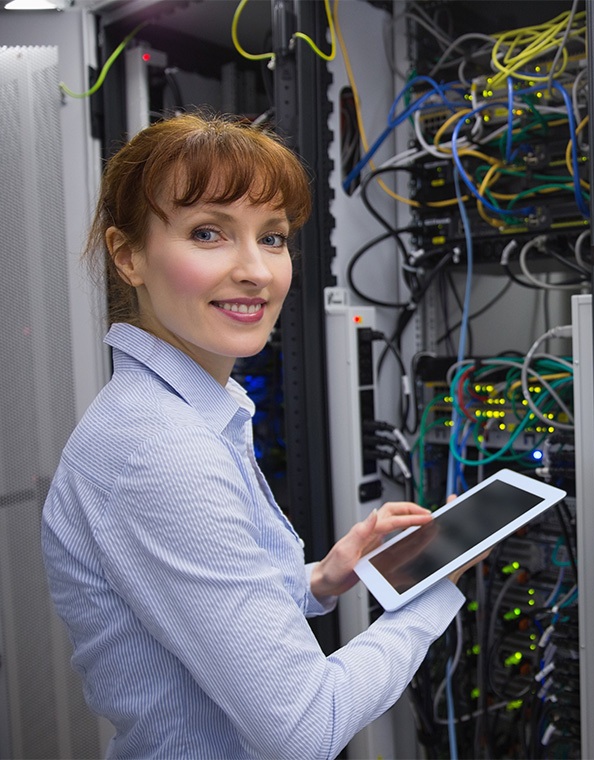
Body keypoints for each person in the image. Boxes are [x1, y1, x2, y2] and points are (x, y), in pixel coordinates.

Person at [41, 112, 474, 759]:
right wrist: (434, 589)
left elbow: (197, 610)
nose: (256, 271)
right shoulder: (162, 452)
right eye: (208, 233)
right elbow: (305, 728)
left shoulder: (182, 413)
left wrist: (321, 579)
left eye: (272, 237)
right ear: (128, 256)